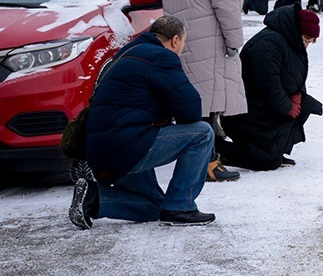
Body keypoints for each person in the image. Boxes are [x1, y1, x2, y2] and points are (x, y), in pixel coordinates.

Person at [69, 16, 216, 229]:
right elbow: (191, 111)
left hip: (103, 151)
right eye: (183, 43)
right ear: (175, 40)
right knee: (202, 133)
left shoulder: (126, 54)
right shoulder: (162, 57)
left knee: (155, 207)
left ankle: (94, 199)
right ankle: (181, 207)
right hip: (128, 145)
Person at [160, 0, 245, 183]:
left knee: (194, 102)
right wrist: (234, 42)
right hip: (211, 41)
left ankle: (199, 159)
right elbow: (226, 5)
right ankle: (208, 163)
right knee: (208, 105)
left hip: (180, 40)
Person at [219, 7, 323, 171]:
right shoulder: (267, 45)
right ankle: (221, 151)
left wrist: (297, 96)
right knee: (267, 163)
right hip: (245, 113)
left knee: (308, 105)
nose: (306, 45)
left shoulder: (291, 43)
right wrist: (288, 107)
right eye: (306, 39)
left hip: (264, 108)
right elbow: (268, 85)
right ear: (296, 31)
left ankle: (273, 151)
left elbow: (294, 78)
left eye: (310, 42)